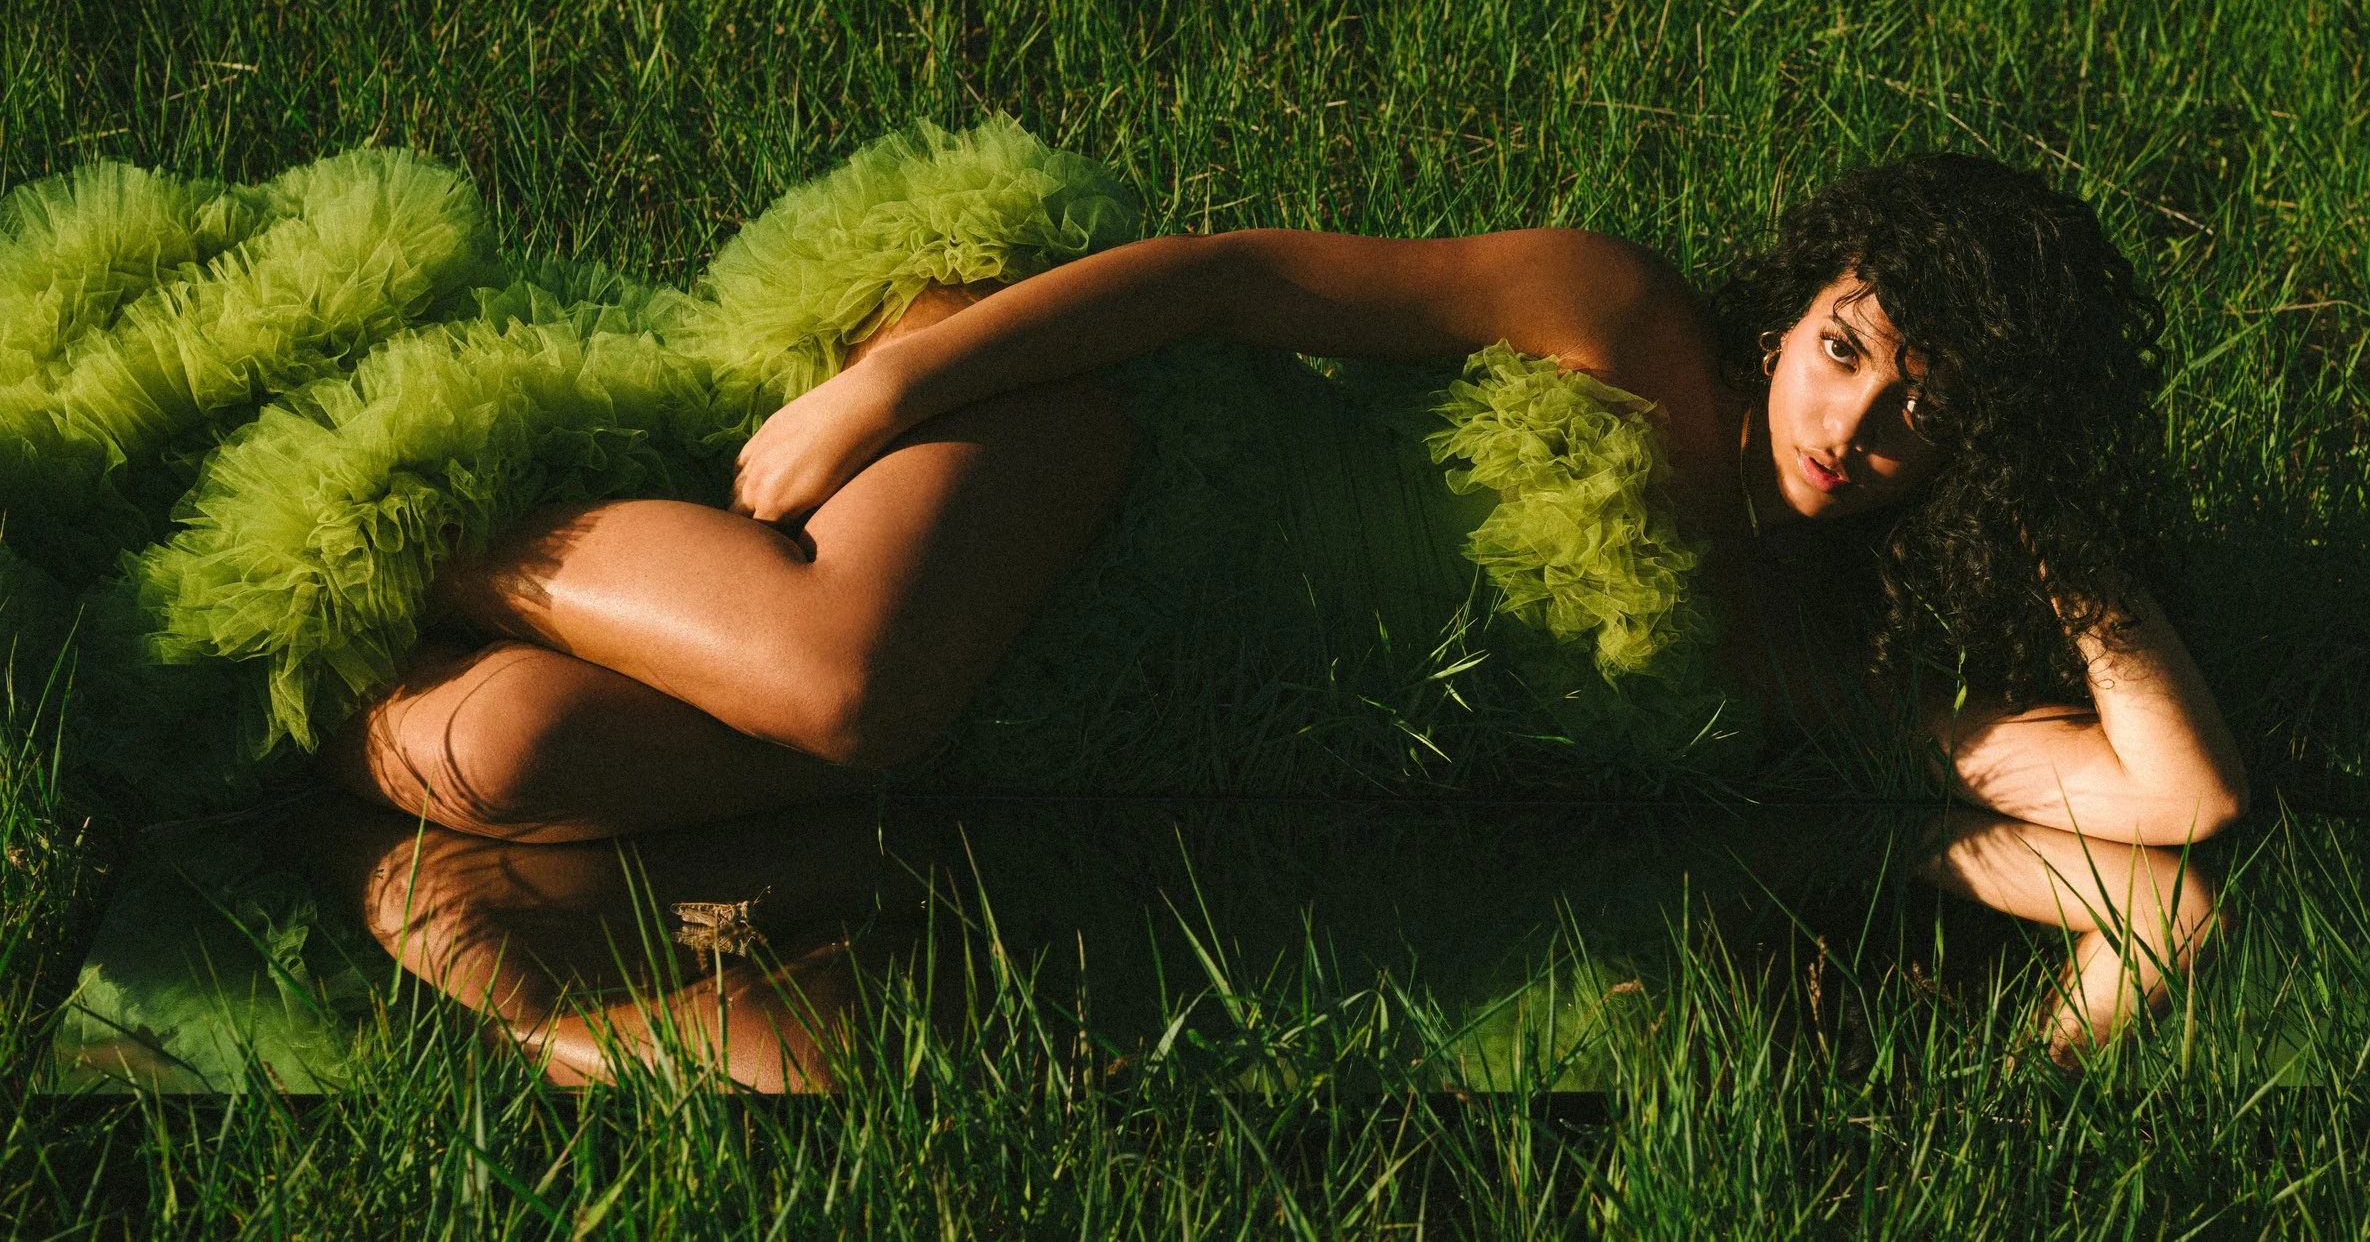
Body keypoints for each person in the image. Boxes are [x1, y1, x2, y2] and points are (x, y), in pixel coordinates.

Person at [291, 132, 2245, 870]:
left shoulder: (1800, 655)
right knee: (841, 685)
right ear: (1800, 297)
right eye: (1845, 345)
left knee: (501, 756)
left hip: (1067, 673)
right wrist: (888, 386)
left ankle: (391, 647)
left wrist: (2050, 519)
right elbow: (1229, 278)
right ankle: (429, 517)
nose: (1852, 417)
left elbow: (2176, 799)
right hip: (1105, 437)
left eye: (1923, 413)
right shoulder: (1620, 314)